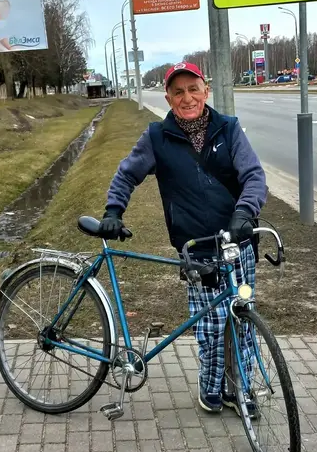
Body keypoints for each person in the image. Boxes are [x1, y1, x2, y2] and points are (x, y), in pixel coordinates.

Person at [100, 62, 267, 413]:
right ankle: (211, 389)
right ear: (168, 98)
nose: (187, 98)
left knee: (241, 319)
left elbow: (253, 176)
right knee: (211, 327)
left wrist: (244, 212)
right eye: (178, 92)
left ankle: (239, 389)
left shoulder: (229, 129)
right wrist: (114, 211)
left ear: (206, 91)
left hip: (237, 244)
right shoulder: (156, 137)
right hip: (196, 250)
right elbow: (126, 174)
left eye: (193, 89)